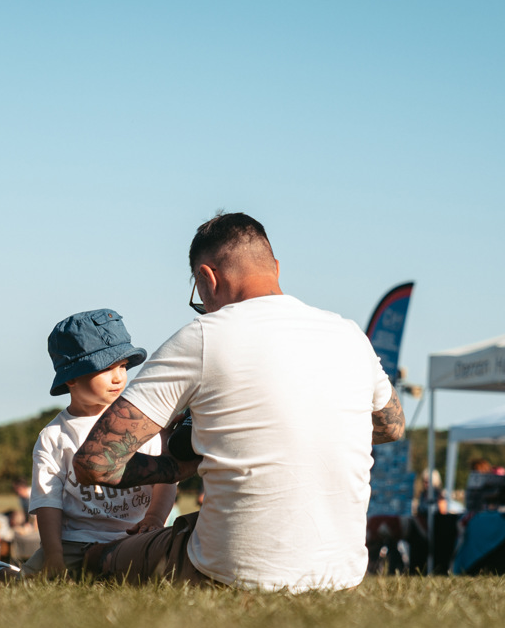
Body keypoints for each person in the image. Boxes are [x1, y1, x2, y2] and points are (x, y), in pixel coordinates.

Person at [72, 212, 405, 591]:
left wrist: (177, 467)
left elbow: (94, 464)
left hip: (229, 572)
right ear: (275, 267)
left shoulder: (202, 337)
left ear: (206, 278)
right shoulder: (349, 335)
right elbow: (392, 427)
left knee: (102, 556)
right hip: (340, 574)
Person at [23, 308, 177, 577]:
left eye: (123, 366)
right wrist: (54, 554)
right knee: (29, 580)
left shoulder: (141, 422)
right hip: (75, 541)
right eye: (106, 368)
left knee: (171, 568)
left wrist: (154, 518)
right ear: (72, 376)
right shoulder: (55, 435)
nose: (119, 377)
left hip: (136, 537)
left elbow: (166, 478)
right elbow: (48, 501)